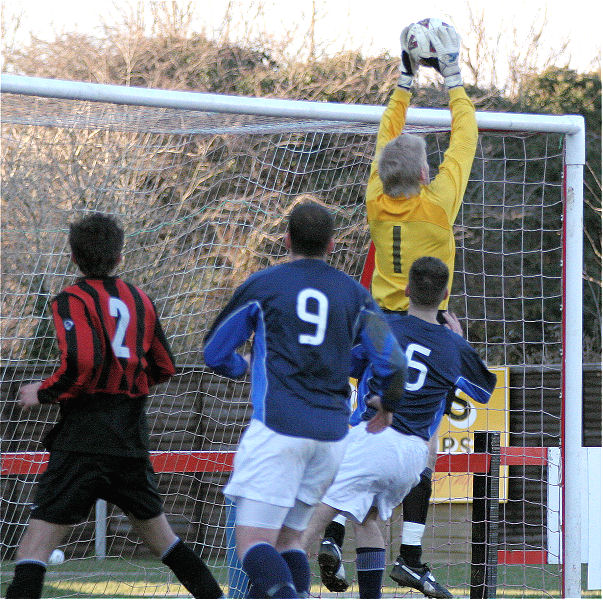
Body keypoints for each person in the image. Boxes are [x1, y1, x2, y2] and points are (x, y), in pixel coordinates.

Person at [318, 20, 479, 598]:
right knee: (419, 446)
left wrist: (405, 83)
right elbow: (466, 140)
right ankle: (409, 553)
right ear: (424, 176)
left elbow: (389, 133)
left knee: (371, 433)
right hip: (422, 331)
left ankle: (336, 531)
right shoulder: (437, 205)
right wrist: (453, 79)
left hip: (375, 331)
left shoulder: (374, 201)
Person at [5, 213, 223, 599]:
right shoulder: (141, 300)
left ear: (72, 258)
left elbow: (82, 362)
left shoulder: (70, 301)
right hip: (129, 441)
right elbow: (164, 366)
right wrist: (127, 385)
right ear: (120, 257)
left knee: (34, 549)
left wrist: (42, 391)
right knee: (166, 542)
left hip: (83, 442)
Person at [203, 199, 408, 599]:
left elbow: (213, 352)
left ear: (286, 240)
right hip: (332, 438)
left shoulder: (265, 284)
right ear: (332, 244)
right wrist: (387, 404)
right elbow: (395, 363)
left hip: (279, 428)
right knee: (290, 541)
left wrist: (242, 367)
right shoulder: (355, 295)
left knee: (252, 544)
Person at [302, 257, 497, 599]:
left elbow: (345, 360)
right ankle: (387, 575)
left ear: (406, 290)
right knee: (368, 518)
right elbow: (482, 391)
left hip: (376, 435)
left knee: (311, 518)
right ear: (445, 295)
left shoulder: (384, 327)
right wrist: (460, 343)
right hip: (414, 458)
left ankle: (284, 591)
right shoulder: (454, 346)